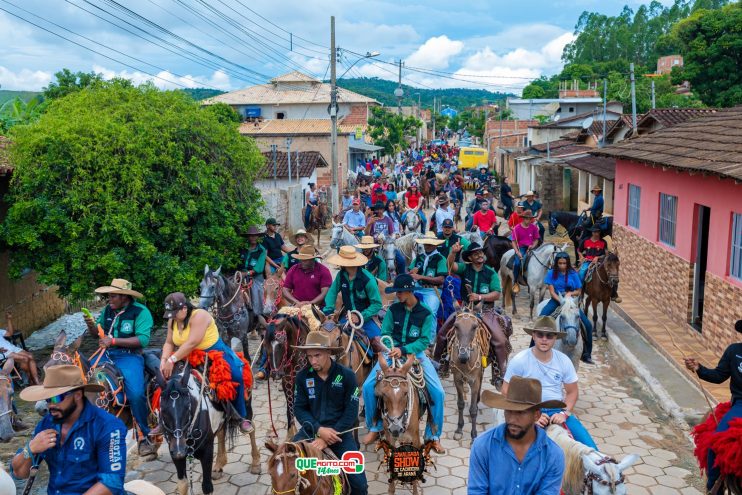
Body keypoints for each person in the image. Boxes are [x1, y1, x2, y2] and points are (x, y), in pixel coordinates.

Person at [361, 274, 445, 454]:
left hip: (417, 354)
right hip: (391, 352)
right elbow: (385, 332)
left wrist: (405, 349)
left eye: (399, 292)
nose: (397, 295)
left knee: (438, 392)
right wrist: (392, 347)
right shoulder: (392, 310)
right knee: (367, 387)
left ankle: (433, 436)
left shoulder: (426, 313)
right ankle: (374, 427)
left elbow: (424, 340)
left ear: (409, 291)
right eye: (396, 292)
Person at [12, 365, 127, 495]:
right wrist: (30, 448)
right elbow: (19, 473)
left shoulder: (107, 426)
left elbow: (112, 482)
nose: (51, 405)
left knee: (136, 392)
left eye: (57, 398)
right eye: (48, 399)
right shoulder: (46, 423)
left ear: (77, 395)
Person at [160, 292, 254, 432]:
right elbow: (169, 342)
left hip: (213, 353)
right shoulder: (172, 320)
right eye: (170, 313)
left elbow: (192, 342)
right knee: (165, 381)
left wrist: (172, 359)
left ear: (184, 308)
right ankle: (164, 419)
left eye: (174, 313)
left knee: (235, 376)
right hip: (185, 355)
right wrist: (164, 360)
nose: (172, 316)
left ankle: (240, 416)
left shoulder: (200, 316)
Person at [83, 278, 155, 455]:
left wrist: (114, 340)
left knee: (136, 394)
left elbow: (143, 340)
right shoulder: (108, 309)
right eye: (109, 296)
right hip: (106, 354)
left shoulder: (141, 312)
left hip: (129, 356)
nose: (109, 299)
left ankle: (145, 435)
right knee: (82, 379)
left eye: (113, 296)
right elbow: (96, 334)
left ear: (124, 297)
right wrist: (91, 324)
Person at [504, 316, 598, 449]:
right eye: (540, 334)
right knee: (510, 448)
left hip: (556, 410)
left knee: (590, 447)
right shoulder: (520, 360)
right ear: (533, 336)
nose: (544, 339)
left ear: (555, 338)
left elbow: (572, 392)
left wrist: (564, 414)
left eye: (549, 336)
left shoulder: (564, 360)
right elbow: (506, 390)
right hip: (528, 409)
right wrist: (530, 414)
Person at [292, 332, 368, 495]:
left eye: (317, 355)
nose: (313, 361)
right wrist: (319, 430)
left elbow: (351, 411)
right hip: (310, 431)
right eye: (309, 356)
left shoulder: (347, 375)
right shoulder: (302, 377)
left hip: (341, 434)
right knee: (286, 463)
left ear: (328, 352)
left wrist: (328, 438)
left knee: (360, 485)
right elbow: (299, 408)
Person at [468, 376, 565, 494]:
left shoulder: (553, 455)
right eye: (508, 411)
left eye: (520, 412)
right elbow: (476, 491)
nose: (512, 419)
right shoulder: (483, 446)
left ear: (537, 415)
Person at [436, 242, 508, 382]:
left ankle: (501, 373)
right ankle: (439, 365)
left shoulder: (491, 272)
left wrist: (480, 297)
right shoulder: (464, 268)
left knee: (500, 341)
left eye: (481, 252)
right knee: (442, 334)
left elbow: (497, 294)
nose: (480, 255)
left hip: (485, 310)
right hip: (464, 309)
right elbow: (450, 265)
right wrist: (453, 253)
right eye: (476, 253)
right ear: (470, 257)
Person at [684, 319, 742, 493]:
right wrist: (699, 368)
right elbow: (718, 376)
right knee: (715, 443)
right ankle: (713, 489)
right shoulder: (734, 351)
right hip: (740, 405)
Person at [323, 246, 384, 352]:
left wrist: (360, 316)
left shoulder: (368, 279)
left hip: (367, 319)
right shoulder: (341, 275)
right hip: (347, 318)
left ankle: (379, 366)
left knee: (381, 346)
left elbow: (377, 304)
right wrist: (328, 311)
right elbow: (332, 293)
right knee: (329, 338)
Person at [538, 252, 594, 364]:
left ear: (567, 263)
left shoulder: (573, 273)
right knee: (541, 319)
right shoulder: (551, 273)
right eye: (560, 263)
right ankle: (534, 347)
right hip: (556, 300)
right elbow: (552, 291)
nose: (562, 266)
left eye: (564, 263)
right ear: (556, 263)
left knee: (587, 325)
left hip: (571, 301)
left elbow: (579, 290)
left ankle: (587, 353)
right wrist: (561, 301)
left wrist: (570, 294)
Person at [409, 233, 447, 340]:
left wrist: (420, 276)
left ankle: (430, 341)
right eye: (426, 243)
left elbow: (441, 279)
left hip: (432, 290)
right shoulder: (419, 257)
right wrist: (411, 272)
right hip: (417, 287)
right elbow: (410, 273)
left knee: (430, 312)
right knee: (401, 304)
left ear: (435, 245)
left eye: (430, 243)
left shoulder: (440, 259)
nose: (428, 245)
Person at [577, 226, 620, 302]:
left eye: (598, 232)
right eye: (594, 232)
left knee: (612, 274)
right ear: (592, 232)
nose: (596, 233)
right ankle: (580, 292)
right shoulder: (585, 241)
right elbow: (579, 250)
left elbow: (605, 254)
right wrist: (582, 257)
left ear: (600, 232)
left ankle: (614, 294)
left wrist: (598, 257)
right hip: (588, 261)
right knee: (581, 273)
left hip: (600, 261)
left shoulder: (603, 242)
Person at [0, 312, 39, 386]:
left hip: (11, 348)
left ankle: (35, 380)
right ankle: (31, 379)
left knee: (30, 356)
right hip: (2, 353)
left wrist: (9, 319)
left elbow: (10, 333)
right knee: (25, 358)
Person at [510, 210, 540, 292]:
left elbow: (536, 240)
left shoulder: (534, 227)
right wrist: (517, 252)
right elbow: (513, 242)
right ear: (523, 219)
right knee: (517, 264)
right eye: (527, 219)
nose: (528, 220)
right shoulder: (517, 228)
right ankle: (515, 282)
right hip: (521, 248)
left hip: (531, 247)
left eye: (530, 219)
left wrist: (532, 246)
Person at [240, 226, 267, 316]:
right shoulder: (242, 248)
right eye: (251, 236)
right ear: (248, 237)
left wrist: (246, 273)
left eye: (255, 236)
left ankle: (258, 315)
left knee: (256, 294)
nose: (253, 238)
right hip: (240, 275)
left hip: (255, 277)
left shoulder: (261, 250)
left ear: (258, 237)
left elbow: (259, 268)